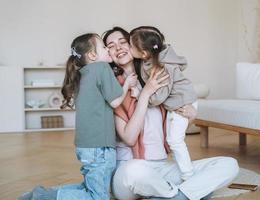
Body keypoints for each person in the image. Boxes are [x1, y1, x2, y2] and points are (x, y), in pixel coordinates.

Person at [103, 27, 239, 200]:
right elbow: (129, 138)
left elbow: (173, 119)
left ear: (136, 46)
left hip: (161, 169)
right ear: (108, 54)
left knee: (228, 165)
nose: (119, 48)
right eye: (111, 46)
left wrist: (189, 114)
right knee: (134, 170)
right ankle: (188, 193)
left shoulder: (155, 76)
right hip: (130, 171)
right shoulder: (114, 89)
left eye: (123, 42)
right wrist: (145, 94)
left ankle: (175, 195)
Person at [19, 33, 137, 200]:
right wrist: (127, 85)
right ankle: (44, 197)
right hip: (99, 147)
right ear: (92, 55)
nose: (108, 50)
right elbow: (115, 102)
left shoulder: (83, 74)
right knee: (98, 197)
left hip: (87, 147)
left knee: (91, 188)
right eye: (104, 47)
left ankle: (44, 194)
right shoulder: (102, 68)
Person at [129, 26, 198, 181]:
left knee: (174, 140)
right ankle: (180, 170)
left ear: (144, 53)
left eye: (130, 46)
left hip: (182, 103)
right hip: (177, 103)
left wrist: (143, 96)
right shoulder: (150, 61)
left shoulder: (162, 67)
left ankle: (188, 175)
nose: (128, 47)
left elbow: (160, 96)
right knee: (171, 139)